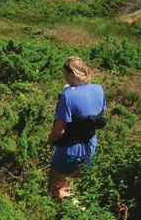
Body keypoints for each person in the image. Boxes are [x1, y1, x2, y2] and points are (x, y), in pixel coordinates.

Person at [48, 56, 107, 201]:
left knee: (55, 189)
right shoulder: (98, 89)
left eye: (65, 74)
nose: (65, 78)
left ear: (71, 74)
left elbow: (59, 131)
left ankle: (69, 213)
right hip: (90, 145)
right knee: (69, 185)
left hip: (70, 149)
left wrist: (50, 140)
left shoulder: (68, 96)